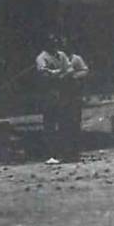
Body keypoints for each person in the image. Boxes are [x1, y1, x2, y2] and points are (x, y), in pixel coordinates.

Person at [36, 34, 88, 163]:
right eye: (51, 43)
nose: (54, 45)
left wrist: (58, 73)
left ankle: (66, 153)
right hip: (50, 93)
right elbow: (44, 73)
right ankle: (50, 154)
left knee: (65, 124)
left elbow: (70, 70)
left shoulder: (62, 55)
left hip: (64, 93)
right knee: (50, 125)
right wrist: (60, 73)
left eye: (55, 43)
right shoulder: (41, 58)